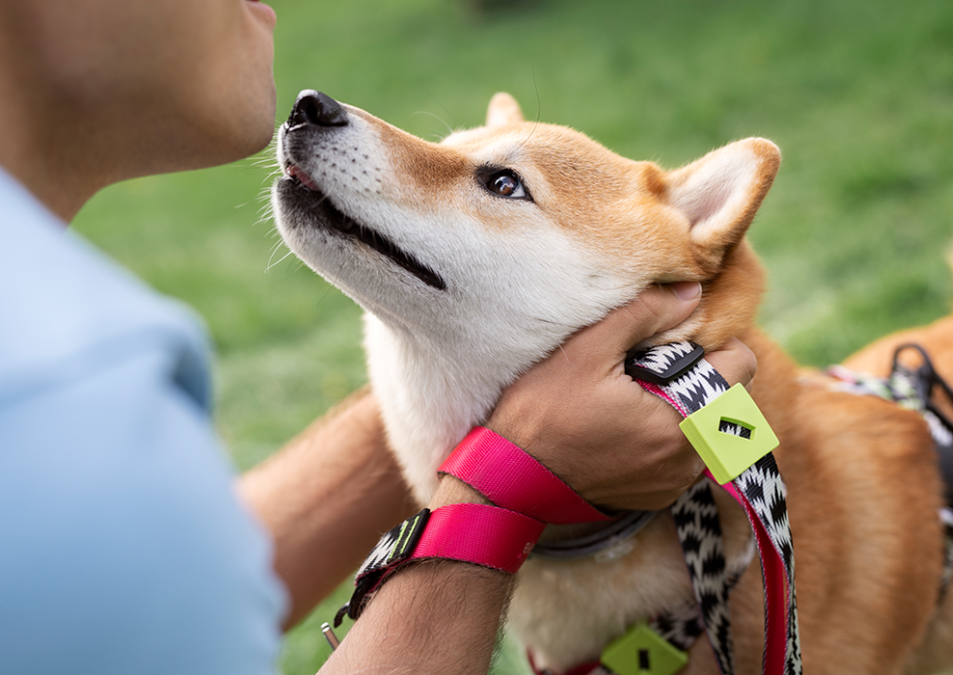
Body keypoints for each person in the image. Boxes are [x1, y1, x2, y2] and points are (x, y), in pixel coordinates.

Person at [0, 1, 756, 674]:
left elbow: (162, 583)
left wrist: (492, 400)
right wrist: (503, 481)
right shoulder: (59, 407)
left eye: (497, 182)